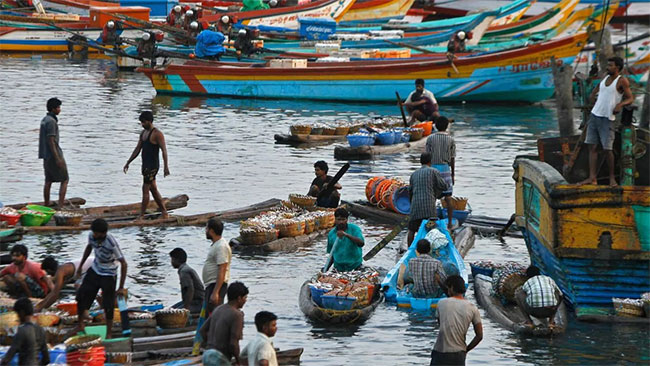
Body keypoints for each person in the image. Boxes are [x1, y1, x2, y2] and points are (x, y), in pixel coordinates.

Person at [579, 56, 634, 186]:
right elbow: (599, 87)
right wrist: (593, 94)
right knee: (592, 146)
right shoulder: (605, 77)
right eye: (608, 65)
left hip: (607, 119)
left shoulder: (622, 81)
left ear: (618, 68)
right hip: (595, 115)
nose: (607, 67)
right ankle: (592, 178)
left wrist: (620, 105)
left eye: (611, 65)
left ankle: (611, 178)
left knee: (607, 149)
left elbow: (630, 98)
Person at [76, 218, 128, 339]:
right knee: (81, 295)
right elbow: (89, 248)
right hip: (95, 269)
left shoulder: (111, 242)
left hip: (109, 274)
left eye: (97, 233)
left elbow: (124, 264)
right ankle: (80, 324)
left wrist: (120, 287)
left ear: (103, 233)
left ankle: (109, 333)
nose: (94, 235)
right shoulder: (91, 236)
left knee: (108, 304)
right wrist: (80, 266)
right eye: (94, 233)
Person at [123, 111, 170, 220]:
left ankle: (142, 215)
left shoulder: (157, 134)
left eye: (143, 122)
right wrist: (128, 162)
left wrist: (166, 167)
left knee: (145, 189)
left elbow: (164, 150)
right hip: (145, 165)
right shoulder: (143, 133)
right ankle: (164, 212)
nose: (142, 124)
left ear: (149, 121)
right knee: (153, 189)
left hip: (152, 166)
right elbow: (138, 149)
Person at [432, 275, 483, 366]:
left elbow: (441, 324)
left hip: (440, 352)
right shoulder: (472, 308)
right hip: (459, 355)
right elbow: (479, 336)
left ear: (451, 288)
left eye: (448, 288)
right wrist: (466, 349)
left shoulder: (441, 303)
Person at [408, 153, 454, 246]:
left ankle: (410, 250)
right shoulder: (434, 171)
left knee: (412, 230)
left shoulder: (414, 174)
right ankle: (431, 248)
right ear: (430, 162)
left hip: (415, 207)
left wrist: (412, 206)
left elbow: (410, 192)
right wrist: (437, 192)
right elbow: (444, 186)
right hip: (429, 207)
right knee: (432, 230)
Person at [200, 282, 249, 366]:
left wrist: (209, 346)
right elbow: (233, 344)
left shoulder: (218, 309)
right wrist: (238, 361)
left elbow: (202, 330)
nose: (246, 300)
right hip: (219, 359)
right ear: (239, 298)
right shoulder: (237, 315)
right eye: (245, 297)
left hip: (207, 355)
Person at [0, 298, 49, 366]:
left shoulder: (22, 331)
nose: (18, 318)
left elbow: (6, 359)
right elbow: (46, 359)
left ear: (22, 313)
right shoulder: (40, 329)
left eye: (18, 314)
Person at [39, 97, 68, 208]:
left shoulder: (44, 120)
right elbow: (51, 141)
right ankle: (60, 206)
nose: (60, 110)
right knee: (65, 179)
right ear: (53, 109)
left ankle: (46, 204)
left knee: (48, 180)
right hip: (53, 154)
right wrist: (57, 159)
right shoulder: (51, 122)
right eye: (58, 107)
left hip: (46, 155)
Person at [203, 218, 232, 315]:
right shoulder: (216, 245)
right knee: (209, 315)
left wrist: (215, 292)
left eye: (206, 229)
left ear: (211, 231)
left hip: (216, 286)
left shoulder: (221, 246)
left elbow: (222, 269)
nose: (205, 231)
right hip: (211, 285)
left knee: (214, 315)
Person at [326, 207, 364, 272]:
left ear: (347, 219)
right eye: (339, 219)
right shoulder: (331, 234)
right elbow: (332, 254)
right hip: (339, 267)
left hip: (355, 266)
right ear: (335, 220)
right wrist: (326, 268)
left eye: (343, 219)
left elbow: (361, 243)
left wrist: (346, 235)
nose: (341, 222)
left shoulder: (354, 229)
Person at [425, 116, 456, 195]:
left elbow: (427, 157)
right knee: (448, 196)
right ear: (446, 126)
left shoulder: (430, 139)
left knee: (433, 194)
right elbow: (452, 158)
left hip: (433, 169)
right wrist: (452, 175)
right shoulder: (451, 140)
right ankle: (449, 208)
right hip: (445, 169)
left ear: (435, 126)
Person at [170, 247, 205, 314]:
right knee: (170, 309)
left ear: (176, 260)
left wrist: (186, 309)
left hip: (198, 303)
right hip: (193, 301)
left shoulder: (184, 271)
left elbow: (190, 290)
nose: (171, 262)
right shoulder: (184, 269)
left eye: (172, 259)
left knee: (174, 313)